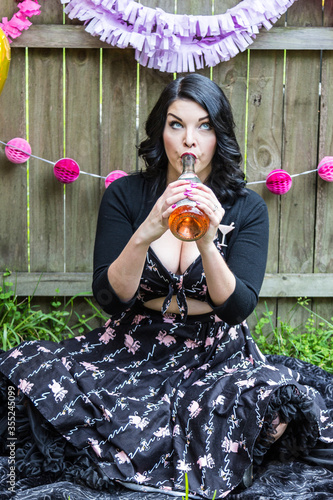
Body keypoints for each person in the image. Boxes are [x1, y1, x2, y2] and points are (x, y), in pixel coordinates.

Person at [0, 74, 332, 499]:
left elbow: (237, 309)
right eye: (176, 124)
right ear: (161, 130)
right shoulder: (126, 195)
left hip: (212, 350)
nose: (189, 141)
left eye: (204, 125)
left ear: (220, 134)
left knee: (267, 406)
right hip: (132, 343)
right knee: (29, 368)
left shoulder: (245, 207)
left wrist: (210, 242)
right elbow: (109, 300)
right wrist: (146, 231)